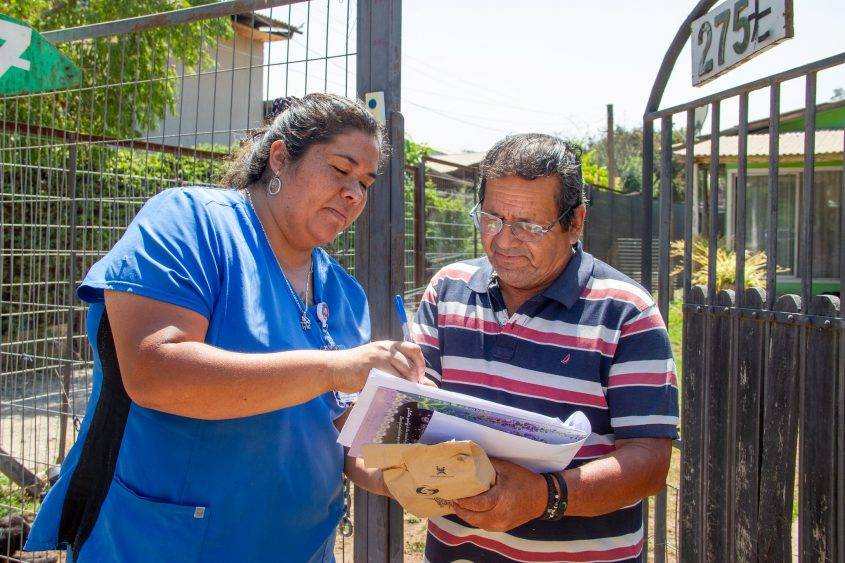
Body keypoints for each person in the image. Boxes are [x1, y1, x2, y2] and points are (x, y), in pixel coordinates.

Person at [25, 93, 426, 562]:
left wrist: (414, 462)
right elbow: (154, 371)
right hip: (170, 545)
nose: (355, 193)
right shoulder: (190, 222)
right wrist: (333, 368)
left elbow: (342, 429)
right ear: (280, 157)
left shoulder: (345, 293)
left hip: (304, 548)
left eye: (365, 182)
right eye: (341, 169)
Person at [412, 134, 679, 562]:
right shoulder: (447, 291)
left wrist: (545, 496)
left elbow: (649, 462)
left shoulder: (626, 313)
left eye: (529, 226)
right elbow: (414, 407)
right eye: (492, 219)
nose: (504, 241)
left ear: (576, 222)